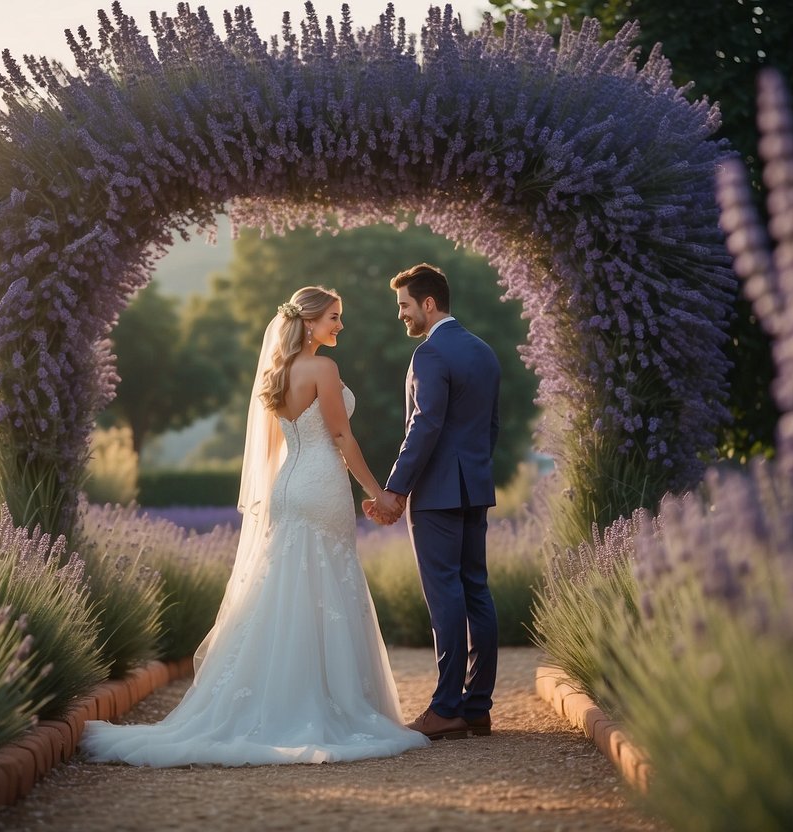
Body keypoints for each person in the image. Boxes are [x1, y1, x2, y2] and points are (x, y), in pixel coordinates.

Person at [82, 286, 430, 766]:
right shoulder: (323, 369)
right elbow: (341, 435)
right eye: (334, 317)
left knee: (286, 588)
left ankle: (271, 701)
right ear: (309, 322)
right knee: (326, 584)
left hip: (289, 486)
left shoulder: (277, 372)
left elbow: (270, 452)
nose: (340, 326)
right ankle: (322, 704)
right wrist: (379, 493)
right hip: (321, 485)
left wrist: (270, 501)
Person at [365, 263, 501, 742]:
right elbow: (491, 429)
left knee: (445, 594)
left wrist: (395, 490)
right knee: (476, 591)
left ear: (428, 303)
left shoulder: (430, 353)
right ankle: (477, 707)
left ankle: (446, 709)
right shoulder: (484, 352)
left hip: (438, 495)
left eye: (404, 305)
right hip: (475, 490)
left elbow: (423, 426)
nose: (400, 314)